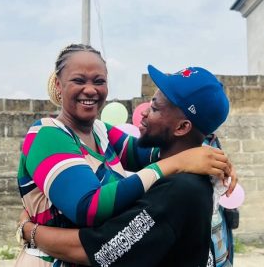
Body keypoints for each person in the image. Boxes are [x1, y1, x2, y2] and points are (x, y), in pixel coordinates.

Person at [15, 44, 234, 266]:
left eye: (99, 81)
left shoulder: (101, 132)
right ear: (58, 85)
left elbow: (157, 151)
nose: (90, 89)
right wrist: (180, 161)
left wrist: (213, 159)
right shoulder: (47, 135)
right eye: (79, 80)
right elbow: (88, 208)